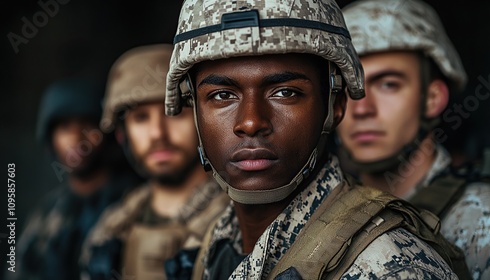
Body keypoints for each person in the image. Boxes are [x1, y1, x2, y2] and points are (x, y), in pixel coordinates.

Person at [163, 0, 470, 279]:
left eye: (285, 92)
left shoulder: (392, 265)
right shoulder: (214, 243)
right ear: (194, 111)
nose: (251, 122)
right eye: (222, 95)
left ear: (335, 106)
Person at [336, 0, 490, 279]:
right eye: (350, 87)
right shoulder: (329, 208)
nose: (362, 108)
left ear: (433, 99)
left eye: (388, 84)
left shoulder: (483, 221)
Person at [80, 44, 229, 280]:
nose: (157, 133)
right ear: (121, 135)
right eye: (140, 118)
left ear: (202, 122)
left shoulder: (239, 219)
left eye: (174, 112)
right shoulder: (109, 230)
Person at [10, 78, 139, 280]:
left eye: (87, 126)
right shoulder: (47, 213)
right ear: (50, 140)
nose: (76, 139)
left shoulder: (135, 201)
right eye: (64, 128)